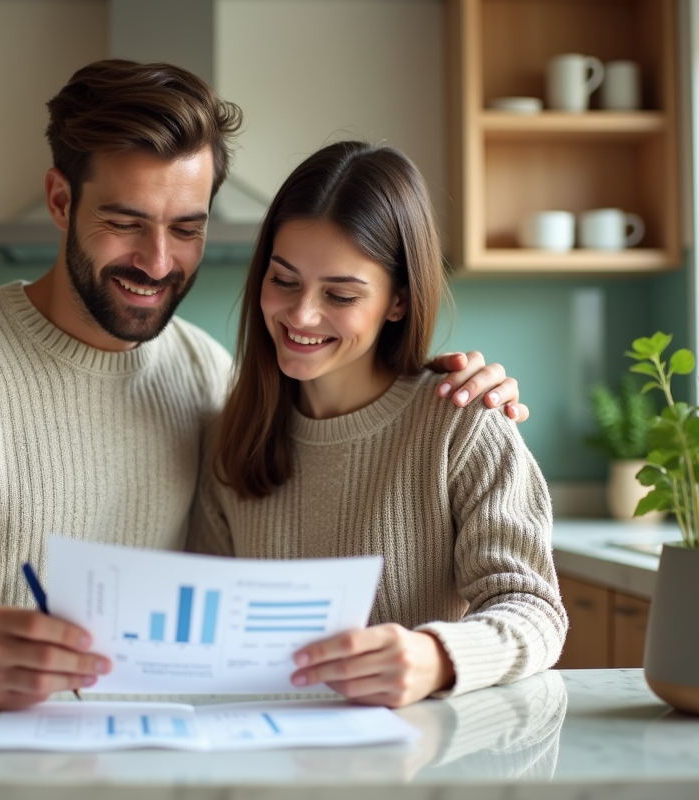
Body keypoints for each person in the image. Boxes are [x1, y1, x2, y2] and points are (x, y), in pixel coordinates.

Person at [0, 60, 530, 711]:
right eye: (124, 223)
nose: (158, 261)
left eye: (186, 228)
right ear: (58, 200)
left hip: (161, 742)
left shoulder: (206, 376)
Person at [189, 141, 566, 707]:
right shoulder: (230, 436)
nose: (301, 315)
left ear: (397, 301)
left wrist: (436, 658)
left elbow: (534, 609)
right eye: (284, 280)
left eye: (340, 294)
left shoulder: (461, 425)